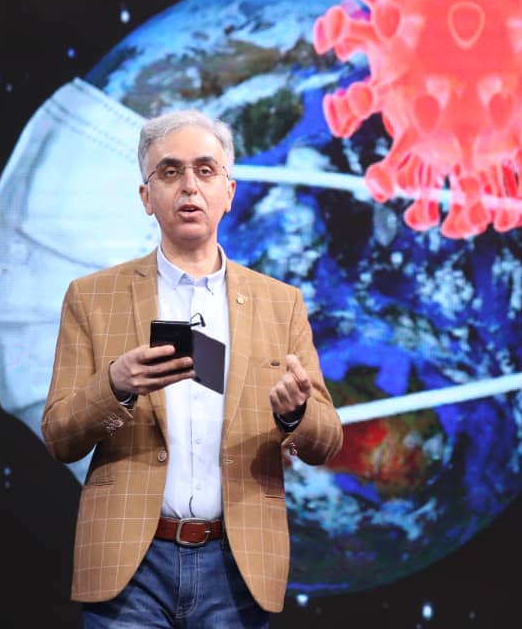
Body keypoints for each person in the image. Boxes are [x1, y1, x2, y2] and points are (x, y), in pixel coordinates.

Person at [41, 108, 343, 628]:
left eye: (205, 170)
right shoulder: (92, 298)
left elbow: (328, 441)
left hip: (236, 566)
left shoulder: (281, 304)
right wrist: (114, 386)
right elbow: (59, 436)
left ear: (229, 192)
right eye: (170, 171)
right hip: (130, 567)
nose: (189, 186)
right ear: (146, 197)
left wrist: (295, 414)